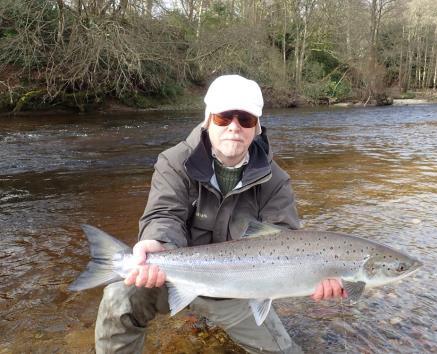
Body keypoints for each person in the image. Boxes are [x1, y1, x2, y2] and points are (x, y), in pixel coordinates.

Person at [95, 75, 346, 354]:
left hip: (237, 293)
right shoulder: (175, 161)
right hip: (172, 278)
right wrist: (158, 242)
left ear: (257, 127)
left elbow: (286, 240)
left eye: (245, 120)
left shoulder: (276, 181)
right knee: (119, 297)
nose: (234, 127)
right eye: (224, 117)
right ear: (208, 118)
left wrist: (316, 274)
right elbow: (165, 214)